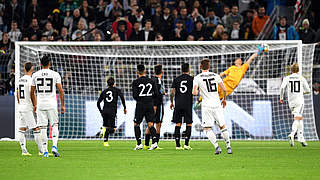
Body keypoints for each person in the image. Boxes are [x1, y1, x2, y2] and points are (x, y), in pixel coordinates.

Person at [192, 59, 230, 155]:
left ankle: (217, 147)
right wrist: (224, 100)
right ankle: (228, 147)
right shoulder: (216, 76)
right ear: (209, 67)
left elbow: (194, 92)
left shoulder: (197, 78)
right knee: (222, 126)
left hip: (206, 106)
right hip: (217, 104)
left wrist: (197, 92)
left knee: (208, 128)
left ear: (200, 67)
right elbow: (224, 90)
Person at [30, 55, 65, 157]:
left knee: (43, 127)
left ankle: (45, 151)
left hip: (40, 104)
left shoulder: (35, 75)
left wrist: (34, 104)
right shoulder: (55, 74)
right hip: (52, 104)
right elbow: (61, 91)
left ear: (40, 64)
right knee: (54, 124)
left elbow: (32, 92)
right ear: (49, 63)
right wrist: (63, 105)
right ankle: (54, 146)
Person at [280, 63, 311, 147]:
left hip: (291, 102)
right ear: (298, 70)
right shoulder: (301, 78)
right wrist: (302, 92)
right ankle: (292, 134)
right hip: (299, 101)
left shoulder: (287, 78)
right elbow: (308, 90)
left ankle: (301, 138)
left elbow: (282, 87)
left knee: (299, 118)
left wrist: (281, 98)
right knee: (298, 118)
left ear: (291, 70)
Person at [16, 62, 42, 156]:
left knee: (22, 129)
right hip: (27, 107)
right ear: (32, 69)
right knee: (36, 128)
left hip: (21, 106)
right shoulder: (31, 80)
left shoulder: (20, 80)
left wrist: (20, 103)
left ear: (24, 69)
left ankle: (24, 151)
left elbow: (17, 93)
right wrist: (35, 105)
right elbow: (32, 94)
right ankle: (42, 151)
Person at [131, 64, 158, 150]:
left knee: (136, 123)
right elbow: (156, 94)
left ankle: (139, 144)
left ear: (137, 72)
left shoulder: (135, 82)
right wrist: (149, 98)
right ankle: (154, 142)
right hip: (150, 104)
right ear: (145, 71)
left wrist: (141, 99)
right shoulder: (151, 81)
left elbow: (135, 95)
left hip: (140, 104)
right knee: (150, 124)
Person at [97, 77, 127, 147]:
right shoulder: (117, 90)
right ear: (114, 83)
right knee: (113, 129)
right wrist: (125, 107)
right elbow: (122, 98)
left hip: (104, 111)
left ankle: (105, 142)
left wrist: (101, 111)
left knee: (106, 126)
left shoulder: (104, 91)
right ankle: (104, 130)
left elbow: (98, 103)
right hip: (112, 111)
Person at [170, 63, 193, 150]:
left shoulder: (176, 79)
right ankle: (186, 144)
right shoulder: (192, 79)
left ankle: (178, 145)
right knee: (189, 123)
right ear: (189, 70)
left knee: (178, 123)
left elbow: (172, 92)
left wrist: (172, 102)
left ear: (181, 70)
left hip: (178, 104)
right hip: (187, 104)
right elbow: (195, 91)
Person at [144, 65, 165, 149]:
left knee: (150, 123)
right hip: (157, 104)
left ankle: (146, 144)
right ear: (162, 72)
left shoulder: (151, 80)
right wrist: (155, 105)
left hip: (150, 103)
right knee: (158, 124)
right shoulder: (158, 80)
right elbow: (157, 94)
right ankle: (155, 143)